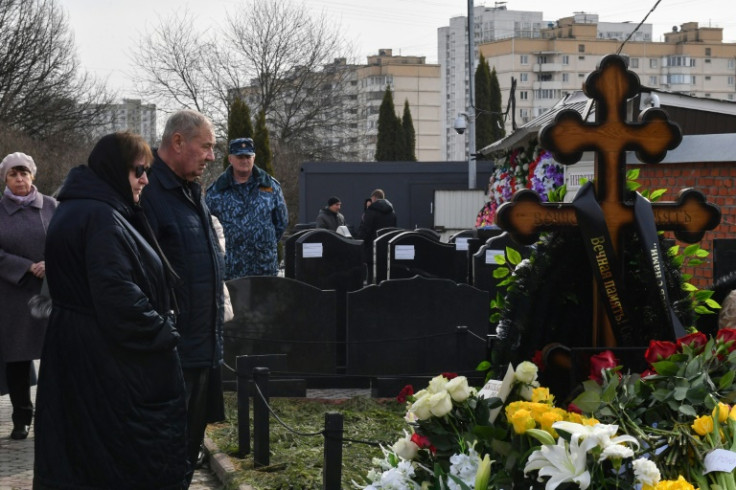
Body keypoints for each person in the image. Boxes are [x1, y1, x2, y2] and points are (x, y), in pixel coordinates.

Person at [33, 132, 188, 489]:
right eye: (139, 171)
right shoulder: (101, 215)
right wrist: (162, 331)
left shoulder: (79, 206)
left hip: (77, 350)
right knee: (112, 460)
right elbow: (117, 295)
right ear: (117, 170)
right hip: (104, 360)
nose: (146, 179)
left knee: (80, 457)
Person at [143, 109, 226, 474]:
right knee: (163, 462)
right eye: (205, 147)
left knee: (184, 460)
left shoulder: (190, 191)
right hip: (171, 355)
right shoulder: (149, 194)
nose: (211, 157)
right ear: (178, 142)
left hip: (200, 349)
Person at [0, 152, 57, 440]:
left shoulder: (51, 206)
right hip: (12, 294)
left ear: (32, 175)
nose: (19, 179)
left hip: (50, 292)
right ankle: (22, 417)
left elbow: (67, 240)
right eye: (13, 174)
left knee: (55, 356)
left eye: (24, 173)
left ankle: (54, 416)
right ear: (5, 179)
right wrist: (24, 266)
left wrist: (51, 263)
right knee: (17, 359)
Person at [206, 137, 288, 279]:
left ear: (254, 158)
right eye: (240, 156)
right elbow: (208, 228)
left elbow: (281, 222)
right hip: (231, 270)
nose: (244, 160)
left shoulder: (270, 186)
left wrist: (263, 243)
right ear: (230, 159)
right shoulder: (216, 191)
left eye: (248, 156)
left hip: (263, 268)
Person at [356, 189, 397, 282]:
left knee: (371, 274)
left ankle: (371, 294)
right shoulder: (392, 212)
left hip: (372, 248)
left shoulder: (371, 211)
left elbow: (365, 229)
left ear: (374, 197)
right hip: (387, 248)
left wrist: (358, 241)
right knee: (385, 274)